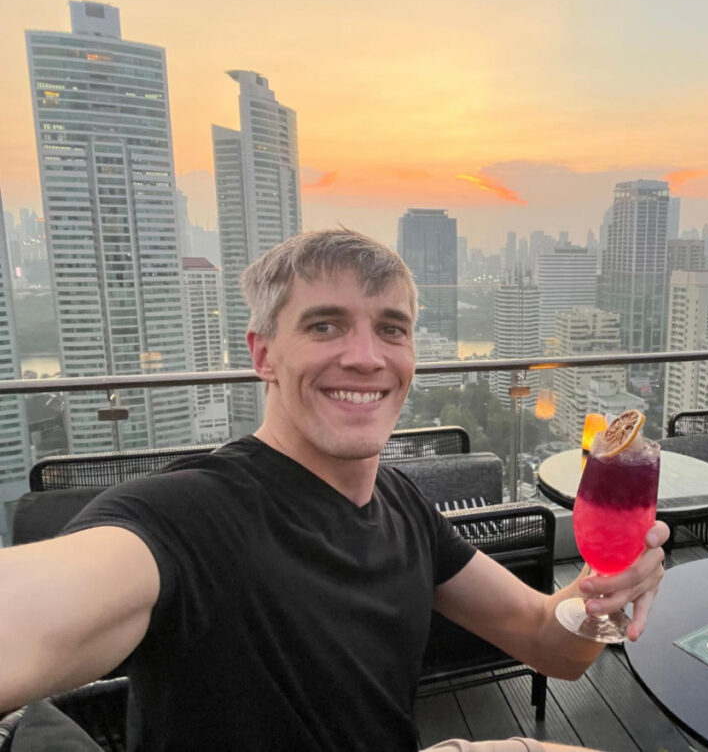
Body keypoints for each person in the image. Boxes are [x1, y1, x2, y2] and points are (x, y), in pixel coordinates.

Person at [0, 229, 669, 752]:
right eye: (324, 325)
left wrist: (608, 590)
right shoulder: (188, 515)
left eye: (390, 328)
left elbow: (548, 642)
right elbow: (36, 613)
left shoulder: (402, 505)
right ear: (263, 354)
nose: (366, 357)